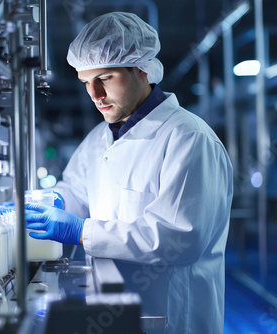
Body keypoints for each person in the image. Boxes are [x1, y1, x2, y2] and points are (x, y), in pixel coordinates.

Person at [25, 12, 233, 334]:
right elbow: (78, 191)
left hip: (171, 314)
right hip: (112, 307)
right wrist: (54, 200)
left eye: (105, 78)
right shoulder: (100, 138)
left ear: (142, 69)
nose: (94, 94)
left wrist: (82, 232)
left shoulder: (188, 138)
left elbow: (179, 238)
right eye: (85, 82)